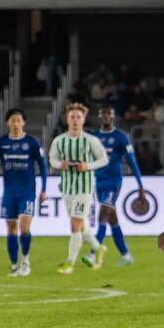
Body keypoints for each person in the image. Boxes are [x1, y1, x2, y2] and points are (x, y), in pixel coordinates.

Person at [0, 108, 48, 277]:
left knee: (24, 227)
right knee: (11, 229)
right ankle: (14, 265)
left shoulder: (32, 143)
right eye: (12, 121)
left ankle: (25, 261)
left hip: (27, 192)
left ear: (23, 123)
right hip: (9, 193)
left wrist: (44, 189)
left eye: (18, 120)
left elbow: (43, 166)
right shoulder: (1, 143)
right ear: (7, 123)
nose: (15, 124)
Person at [48, 102, 109, 274]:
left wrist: (88, 166)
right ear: (67, 119)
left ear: (83, 120)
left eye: (78, 117)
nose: (75, 119)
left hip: (84, 189)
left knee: (75, 224)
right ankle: (98, 248)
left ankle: (70, 263)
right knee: (81, 226)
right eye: (72, 116)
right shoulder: (59, 141)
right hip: (67, 188)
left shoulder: (90, 140)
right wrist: (61, 165)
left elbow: (103, 159)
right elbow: (52, 160)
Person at [90, 106, 144, 267]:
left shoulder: (121, 137)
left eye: (109, 114)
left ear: (113, 117)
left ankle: (94, 253)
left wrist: (140, 186)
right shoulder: (93, 136)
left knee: (103, 215)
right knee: (112, 219)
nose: (106, 116)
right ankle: (126, 256)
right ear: (100, 117)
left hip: (114, 182)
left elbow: (132, 161)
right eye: (103, 114)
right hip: (99, 181)